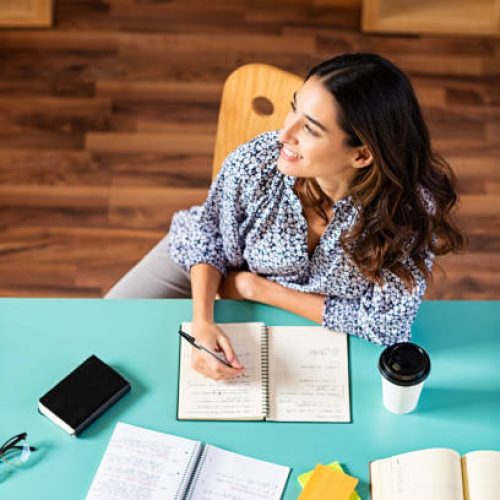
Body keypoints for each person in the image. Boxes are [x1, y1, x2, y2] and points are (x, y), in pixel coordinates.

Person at [105, 53, 466, 382]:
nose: (284, 134)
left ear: (361, 156)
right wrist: (203, 318)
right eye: (294, 109)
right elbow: (207, 232)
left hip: (259, 291)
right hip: (205, 255)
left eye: (309, 129)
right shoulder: (257, 162)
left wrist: (256, 289)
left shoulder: (409, 213)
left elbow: (387, 325)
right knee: (106, 325)